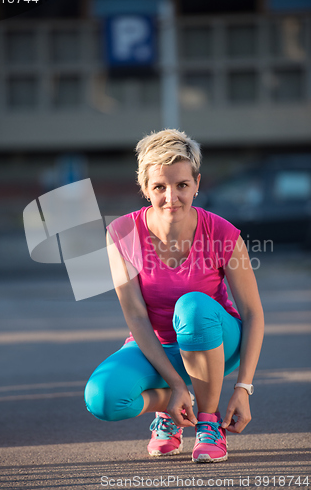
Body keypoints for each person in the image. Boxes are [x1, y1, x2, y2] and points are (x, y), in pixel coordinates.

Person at [84, 129, 264, 463]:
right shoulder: (122, 233)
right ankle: (172, 403)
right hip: (157, 346)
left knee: (192, 305)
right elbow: (136, 316)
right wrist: (174, 385)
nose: (172, 197)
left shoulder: (223, 233)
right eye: (159, 187)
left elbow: (253, 314)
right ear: (144, 187)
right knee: (103, 398)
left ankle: (209, 423)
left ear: (196, 183)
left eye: (182, 185)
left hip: (217, 342)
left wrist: (243, 388)